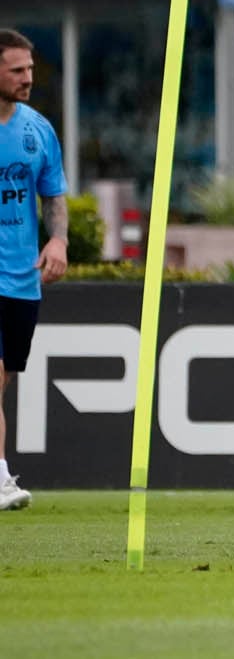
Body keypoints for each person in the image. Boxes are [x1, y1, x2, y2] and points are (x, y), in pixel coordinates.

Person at [0, 29, 68, 511]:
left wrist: (59, 239)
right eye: (16, 70)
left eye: (30, 69)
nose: (28, 78)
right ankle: (1, 476)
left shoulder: (37, 130)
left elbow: (53, 195)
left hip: (22, 280)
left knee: (3, 378)